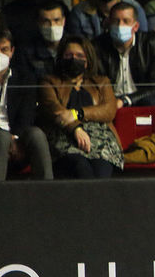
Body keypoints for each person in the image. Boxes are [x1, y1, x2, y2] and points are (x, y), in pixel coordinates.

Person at [39, 34, 123, 178]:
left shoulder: (101, 82)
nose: (73, 59)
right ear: (61, 57)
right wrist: (76, 128)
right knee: (81, 168)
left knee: (101, 171)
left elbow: (109, 110)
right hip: (64, 135)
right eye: (68, 55)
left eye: (79, 55)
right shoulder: (49, 82)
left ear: (87, 60)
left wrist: (77, 113)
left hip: (101, 138)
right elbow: (55, 110)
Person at [0, 24, 50, 180]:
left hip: (17, 141)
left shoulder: (25, 78)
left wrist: (15, 137)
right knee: (0, 137)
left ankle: (48, 194)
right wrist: (5, 137)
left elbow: (28, 114)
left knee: (36, 134)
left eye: (4, 49)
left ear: (12, 51)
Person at [94, 2, 155, 108]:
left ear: (135, 26)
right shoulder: (96, 46)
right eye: (116, 21)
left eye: (126, 21)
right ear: (108, 23)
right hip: (108, 101)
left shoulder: (150, 43)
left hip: (141, 99)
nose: (120, 26)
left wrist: (126, 101)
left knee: (153, 104)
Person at [19, 0, 64, 79]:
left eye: (56, 20)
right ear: (38, 23)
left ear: (63, 21)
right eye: (46, 21)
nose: (52, 25)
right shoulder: (27, 51)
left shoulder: (75, 46)